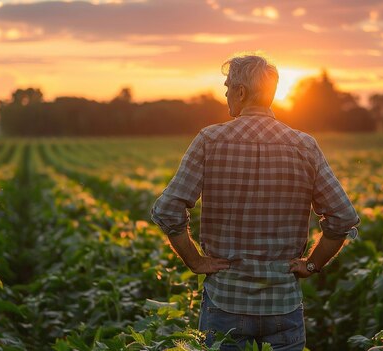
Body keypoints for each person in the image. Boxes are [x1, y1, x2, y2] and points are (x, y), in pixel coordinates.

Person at [151, 53, 360, 351]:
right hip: (283, 305)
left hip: (225, 303)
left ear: (241, 92)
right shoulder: (303, 145)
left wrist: (195, 261)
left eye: (227, 87)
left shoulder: (210, 140)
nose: (225, 94)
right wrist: (312, 265)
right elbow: (343, 217)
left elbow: (168, 209)